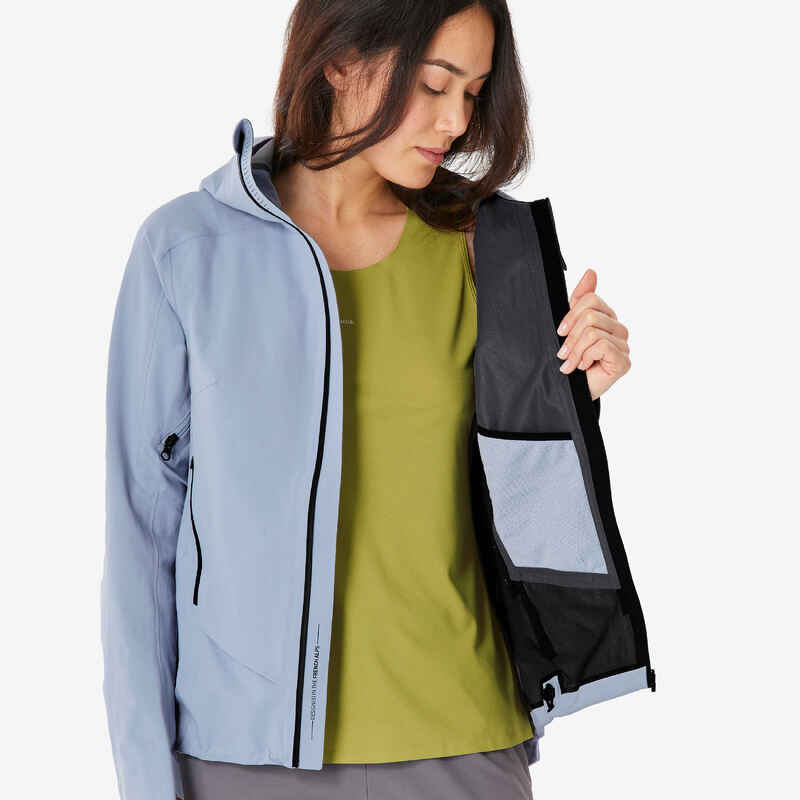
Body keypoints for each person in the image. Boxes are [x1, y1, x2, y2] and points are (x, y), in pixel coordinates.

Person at [102, 2, 646, 799]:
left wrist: (569, 405)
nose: (457, 122)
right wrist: (147, 782)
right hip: (243, 758)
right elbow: (141, 537)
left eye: (473, 92)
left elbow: (521, 516)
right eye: (434, 84)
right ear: (340, 59)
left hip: (463, 740)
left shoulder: (486, 246)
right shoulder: (187, 250)